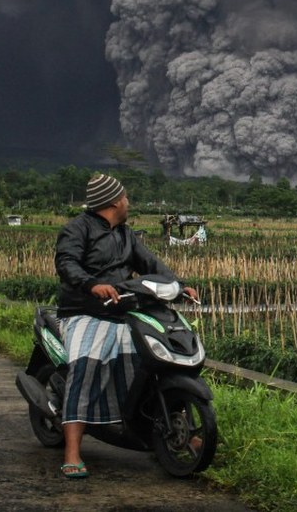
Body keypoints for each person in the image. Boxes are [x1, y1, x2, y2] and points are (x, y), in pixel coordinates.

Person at [53, 173, 195, 479]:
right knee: (86, 364)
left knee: (147, 363)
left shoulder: (126, 235)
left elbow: (151, 264)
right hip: (83, 312)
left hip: (122, 312)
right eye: (126, 196)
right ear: (116, 201)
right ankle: (72, 451)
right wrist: (92, 285)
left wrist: (180, 286)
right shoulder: (77, 229)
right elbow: (67, 264)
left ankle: (156, 428)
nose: (128, 201)